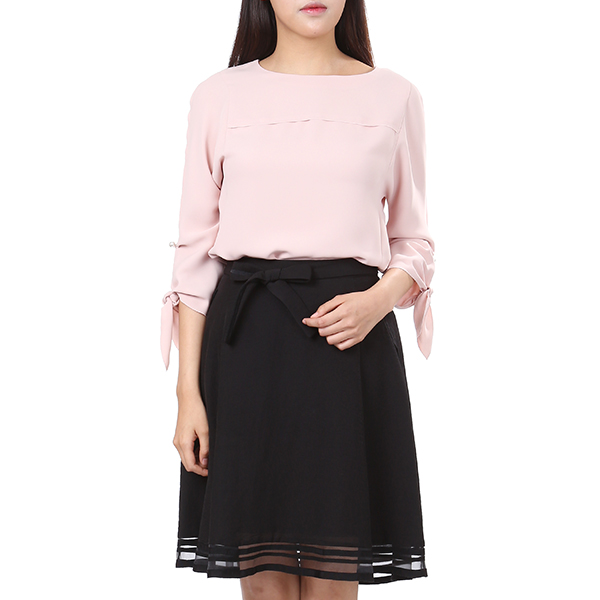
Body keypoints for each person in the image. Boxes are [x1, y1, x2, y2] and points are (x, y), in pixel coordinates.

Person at [160, 1, 435, 598]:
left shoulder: (393, 95)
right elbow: (194, 256)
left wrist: (376, 301)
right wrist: (187, 395)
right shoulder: (218, 96)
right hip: (247, 346)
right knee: (262, 581)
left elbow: (413, 241)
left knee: (337, 575)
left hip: (349, 347)